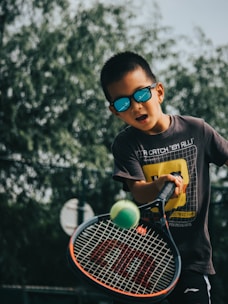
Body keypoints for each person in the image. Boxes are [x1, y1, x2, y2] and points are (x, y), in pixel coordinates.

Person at [100, 51, 228, 304]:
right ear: (115, 112)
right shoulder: (125, 144)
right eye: (124, 103)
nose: (136, 106)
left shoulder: (197, 130)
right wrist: (158, 186)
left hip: (192, 261)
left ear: (158, 92)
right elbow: (137, 190)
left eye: (141, 94)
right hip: (145, 259)